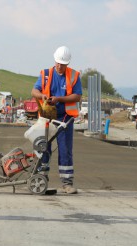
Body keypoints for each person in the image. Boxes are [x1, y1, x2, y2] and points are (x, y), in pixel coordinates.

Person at [31, 46, 82, 194]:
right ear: (55, 60)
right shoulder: (46, 74)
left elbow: (77, 96)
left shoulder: (74, 76)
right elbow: (34, 90)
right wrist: (42, 96)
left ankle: (67, 183)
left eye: (63, 64)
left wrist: (59, 99)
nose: (60, 66)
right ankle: (41, 178)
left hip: (65, 117)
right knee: (43, 147)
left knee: (65, 149)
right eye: (58, 63)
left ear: (68, 63)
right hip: (47, 116)